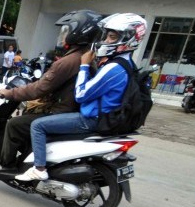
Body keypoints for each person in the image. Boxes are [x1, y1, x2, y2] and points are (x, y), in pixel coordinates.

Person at [15, 13, 148, 182]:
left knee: (37, 125)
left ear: (128, 39)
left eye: (112, 37)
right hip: (104, 116)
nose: (106, 40)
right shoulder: (127, 63)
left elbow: (81, 95)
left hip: (91, 119)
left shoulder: (114, 67)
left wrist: (84, 65)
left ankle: (39, 168)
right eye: (107, 36)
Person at [0, 10, 103, 170]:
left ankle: (7, 165)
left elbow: (39, 88)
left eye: (66, 31)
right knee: (29, 115)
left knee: (15, 124)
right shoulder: (86, 57)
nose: (62, 35)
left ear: (77, 34)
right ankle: (26, 160)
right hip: (71, 110)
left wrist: (10, 93)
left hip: (61, 112)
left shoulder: (68, 61)